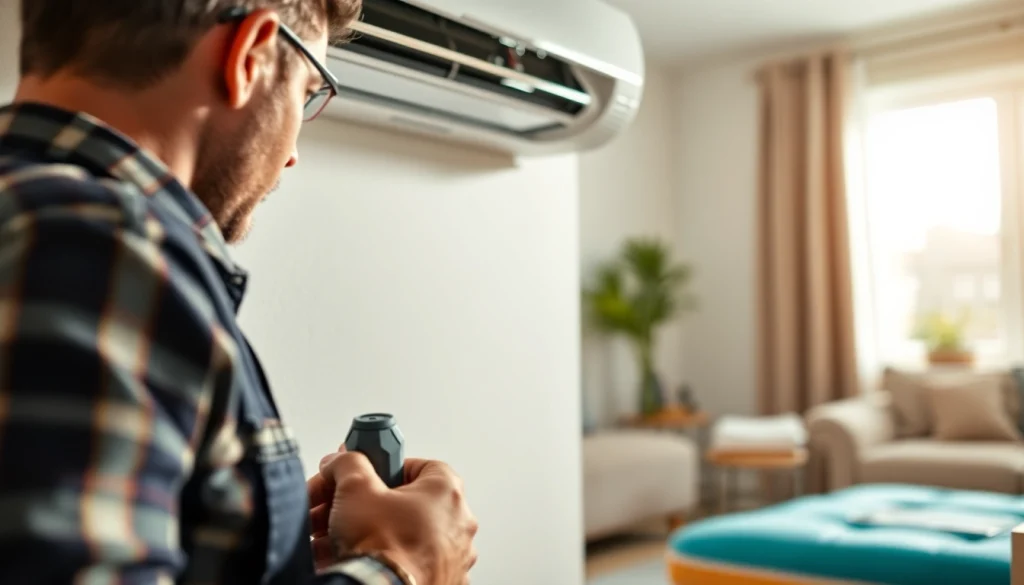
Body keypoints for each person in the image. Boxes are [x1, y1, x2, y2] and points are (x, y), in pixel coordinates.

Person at [0, 1, 478, 584]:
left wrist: (246, 545)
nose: (294, 151)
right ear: (249, 54)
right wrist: (406, 565)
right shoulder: (95, 244)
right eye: (306, 92)